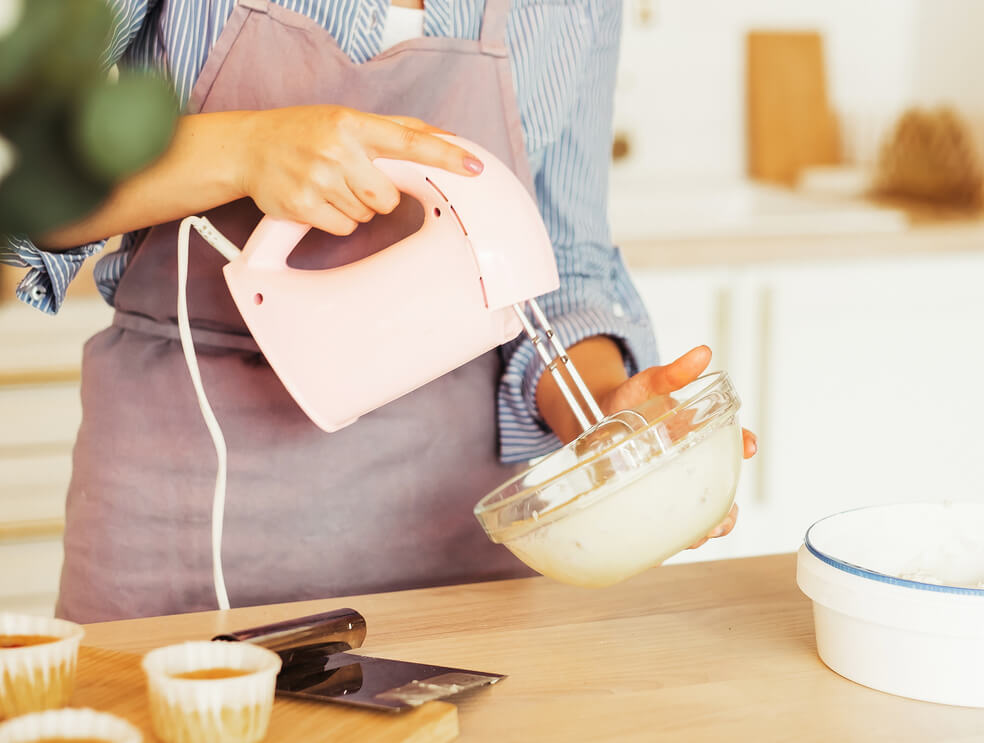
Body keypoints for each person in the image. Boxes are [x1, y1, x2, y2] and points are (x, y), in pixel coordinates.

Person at [0, 0, 756, 623]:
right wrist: (239, 151)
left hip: (457, 540)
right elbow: (26, 194)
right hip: (180, 523)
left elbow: (561, 268)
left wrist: (602, 417)